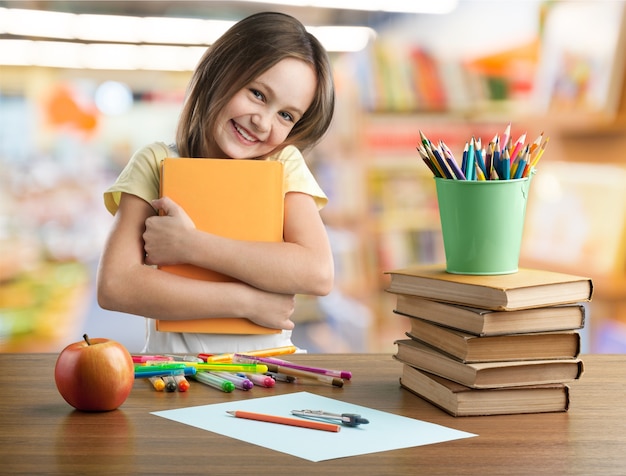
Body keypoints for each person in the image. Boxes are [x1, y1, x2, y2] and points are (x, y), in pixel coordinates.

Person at [96, 12, 335, 354]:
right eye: (257, 94)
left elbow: (317, 273)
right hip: (176, 373)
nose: (263, 122)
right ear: (219, 72)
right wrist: (245, 302)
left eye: (286, 115)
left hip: (268, 370)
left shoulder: (283, 165)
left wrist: (192, 245)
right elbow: (116, 285)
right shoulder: (157, 163)